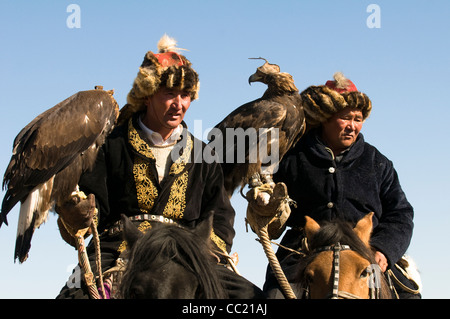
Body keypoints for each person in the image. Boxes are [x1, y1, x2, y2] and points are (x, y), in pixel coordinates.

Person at [56, 35, 264, 299]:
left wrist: (203, 248)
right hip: (122, 247)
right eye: (169, 94)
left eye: (186, 95)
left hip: (186, 253)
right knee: (73, 296)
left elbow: (221, 217)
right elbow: (92, 212)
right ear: (147, 95)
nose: (179, 104)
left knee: (250, 297)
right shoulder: (111, 145)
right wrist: (77, 215)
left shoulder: (204, 154)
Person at [262, 72, 420, 299]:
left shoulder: (378, 163)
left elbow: (400, 213)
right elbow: (267, 190)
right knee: (275, 298)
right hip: (304, 252)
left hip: (365, 253)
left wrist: (384, 250)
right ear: (325, 118)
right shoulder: (292, 156)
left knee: (407, 296)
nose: (352, 126)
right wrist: (265, 204)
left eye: (358, 119)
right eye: (345, 118)